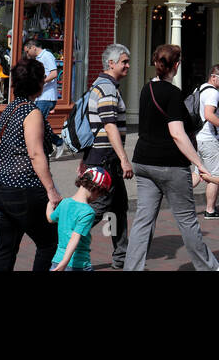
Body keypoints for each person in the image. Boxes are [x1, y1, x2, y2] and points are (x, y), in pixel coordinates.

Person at [125, 43, 219, 271]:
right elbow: (177, 134)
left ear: (156, 63)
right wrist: (199, 164)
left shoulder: (146, 89)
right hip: (170, 165)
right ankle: (210, 267)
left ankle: (131, 268)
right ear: (177, 65)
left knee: (143, 221)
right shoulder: (173, 94)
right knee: (187, 221)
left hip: (143, 161)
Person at [0, 59, 64, 271]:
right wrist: (51, 191)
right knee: (50, 243)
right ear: (39, 83)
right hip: (23, 189)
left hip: (0, 185)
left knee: (5, 246)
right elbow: (35, 154)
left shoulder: (10, 108)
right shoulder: (32, 113)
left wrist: (2, 176)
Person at [82, 44, 134, 269]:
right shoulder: (106, 88)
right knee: (97, 208)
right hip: (106, 159)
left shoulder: (103, 85)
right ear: (111, 63)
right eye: (124, 61)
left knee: (118, 208)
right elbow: (109, 125)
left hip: (101, 157)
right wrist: (124, 158)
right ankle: (66, 242)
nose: (128, 65)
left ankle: (121, 257)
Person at [47, 167, 112, 271]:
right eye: (101, 194)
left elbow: (50, 218)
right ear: (96, 189)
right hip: (78, 264)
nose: (99, 197)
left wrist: (50, 203)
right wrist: (65, 262)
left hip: (57, 260)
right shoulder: (88, 212)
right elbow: (74, 238)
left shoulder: (65, 203)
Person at [191, 64, 219, 218]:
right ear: (213, 77)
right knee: (215, 176)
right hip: (208, 139)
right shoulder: (213, 93)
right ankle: (210, 210)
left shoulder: (200, 89)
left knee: (198, 173)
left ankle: (179, 198)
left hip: (197, 138)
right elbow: (209, 115)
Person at [23, 36, 64, 157]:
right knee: (39, 124)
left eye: (27, 51)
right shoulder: (38, 58)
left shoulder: (47, 56)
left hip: (47, 97)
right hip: (40, 97)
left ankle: (57, 142)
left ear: (33, 47)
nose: (27, 54)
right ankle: (50, 146)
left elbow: (54, 73)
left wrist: (41, 82)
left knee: (37, 124)